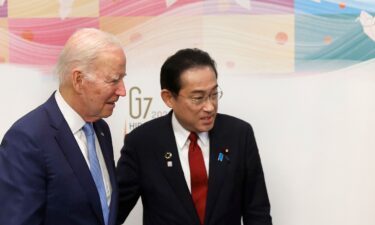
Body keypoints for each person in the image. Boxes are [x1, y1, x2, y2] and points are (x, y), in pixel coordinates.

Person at [116, 48, 272, 225]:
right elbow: (114, 212)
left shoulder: (239, 134)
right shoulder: (142, 142)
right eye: (198, 98)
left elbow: (257, 212)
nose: (210, 107)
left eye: (213, 95)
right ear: (168, 98)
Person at [0, 28, 126, 225]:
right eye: (113, 80)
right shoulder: (27, 139)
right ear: (78, 80)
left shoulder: (101, 129)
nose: (122, 90)